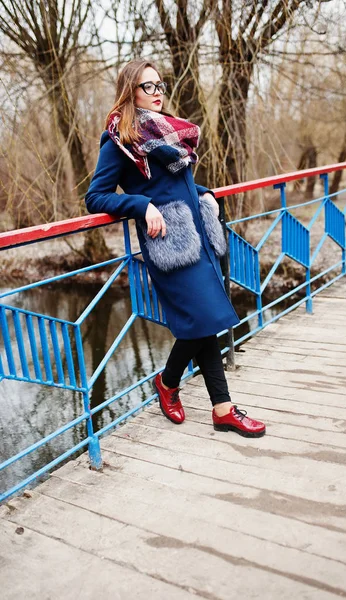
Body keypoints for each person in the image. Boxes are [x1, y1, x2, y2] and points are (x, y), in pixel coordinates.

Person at [85, 59, 265, 438]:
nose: (157, 91)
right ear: (130, 90)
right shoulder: (119, 138)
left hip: (198, 233)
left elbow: (177, 185)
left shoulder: (167, 132)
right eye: (148, 86)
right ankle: (201, 398)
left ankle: (204, 400)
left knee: (203, 321)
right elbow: (96, 196)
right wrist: (140, 205)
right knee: (205, 317)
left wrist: (205, 195)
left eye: (159, 84)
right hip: (169, 241)